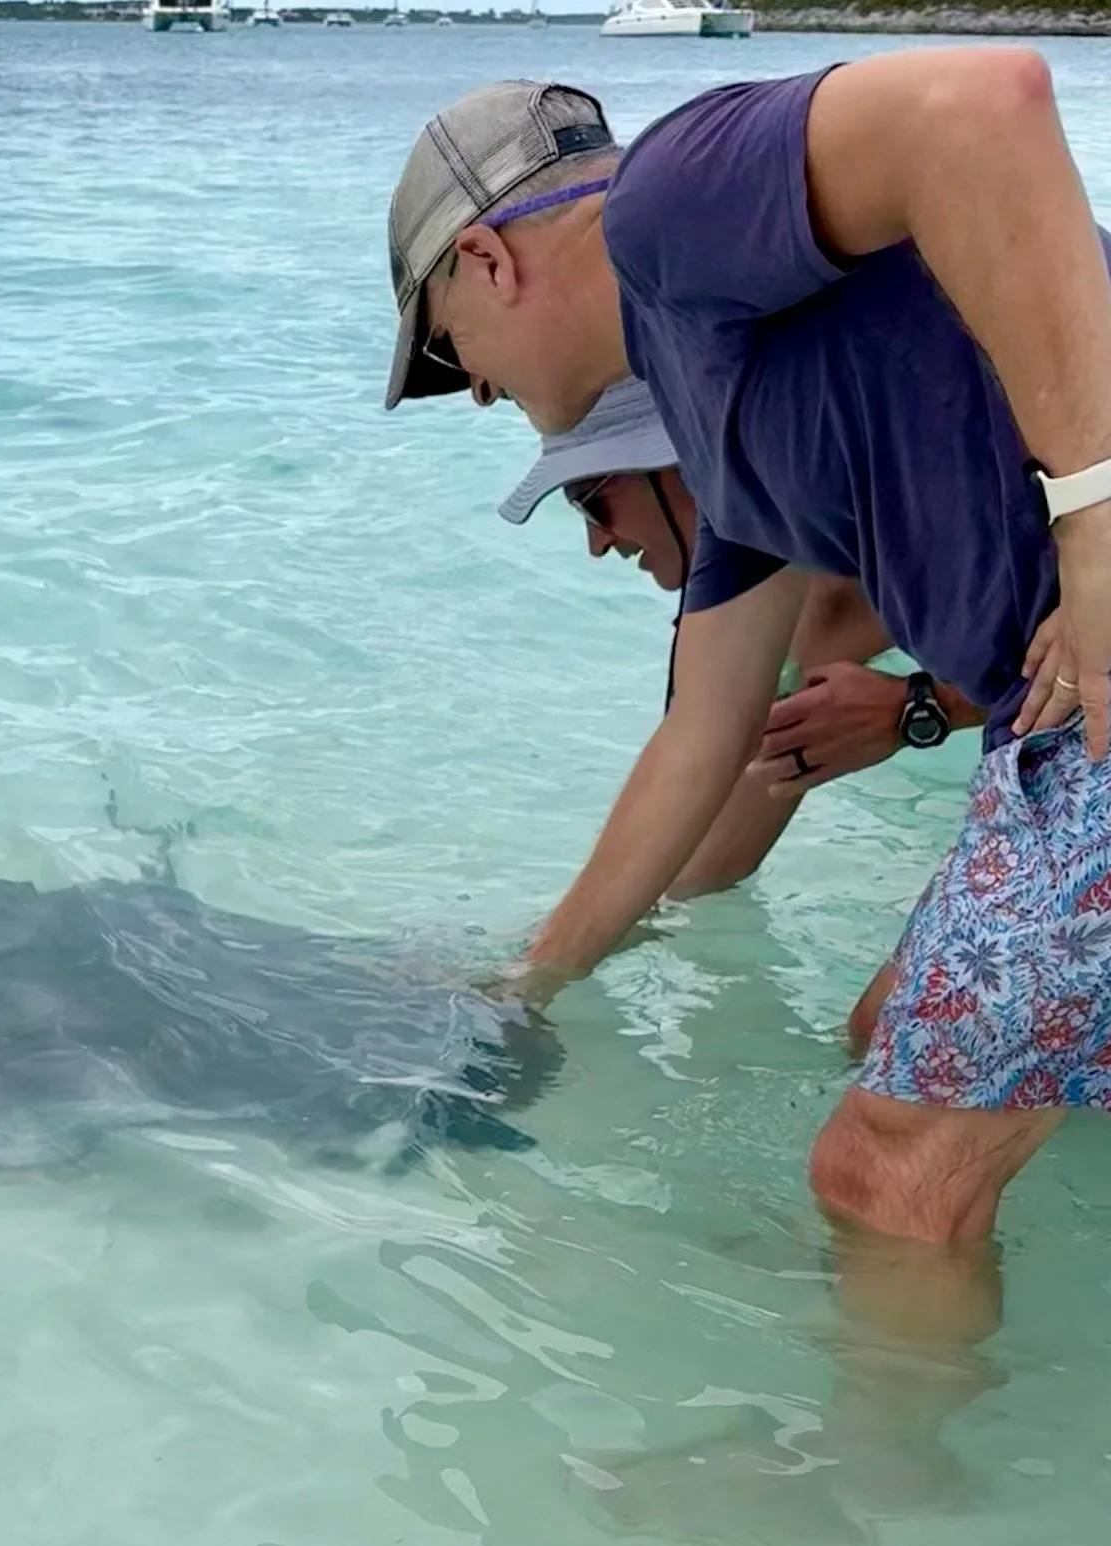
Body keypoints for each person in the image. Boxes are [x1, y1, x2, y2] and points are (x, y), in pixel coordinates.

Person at [382, 64, 1111, 1309]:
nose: (483, 389)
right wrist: (531, 983)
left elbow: (980, 106)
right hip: (1053, 731)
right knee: (887, 1036)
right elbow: (705, 734)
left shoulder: (661, 207)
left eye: (453, 350)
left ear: (490, 260)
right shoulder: (724, 441)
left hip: (1086, 699)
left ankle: (875, 1436)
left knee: (888, 1174)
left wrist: (1096, 525)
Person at [498, 375, 983, 900]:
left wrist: (919, 709)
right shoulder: (801, 602)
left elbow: (700, 872)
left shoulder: (910, 509)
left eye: (590, 502)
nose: (596, 543)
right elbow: (696, 873)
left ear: (681, 463)